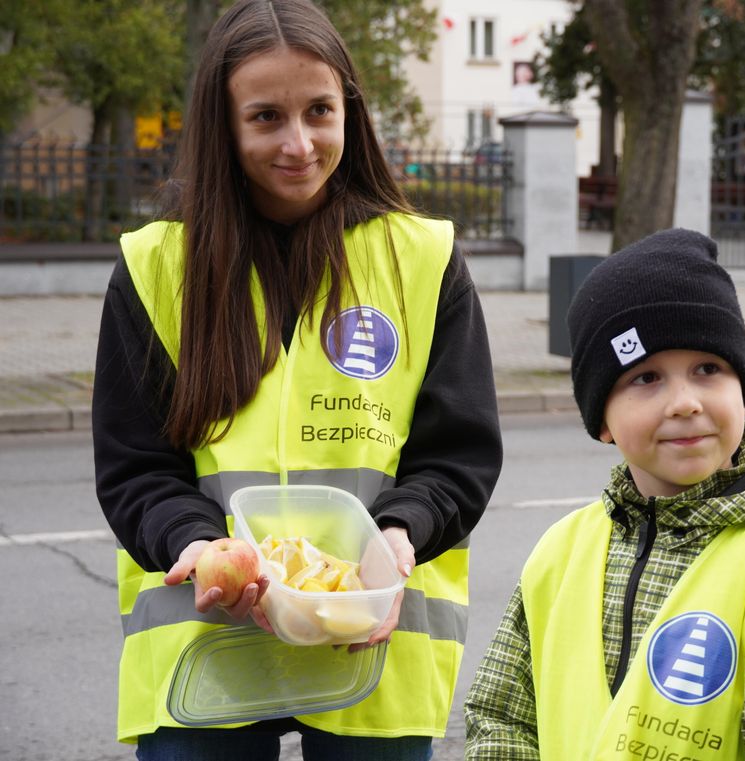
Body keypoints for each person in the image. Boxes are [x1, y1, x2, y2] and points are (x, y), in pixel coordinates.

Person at [91, 0, 502, 758]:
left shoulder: (423, 258)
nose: (299, 143)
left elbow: (460, 454)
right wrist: (196, 543)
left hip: (374, 644)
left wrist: (401, 531)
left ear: (350, 107)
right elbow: (135, 468)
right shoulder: (155, 267)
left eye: (320, 110)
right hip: (207, 635)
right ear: (224, 125)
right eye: (265, 117)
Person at [465, 229, 745, 760]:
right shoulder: (562, 551)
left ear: (741, 390)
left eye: (708, 370)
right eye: (646, 378)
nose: (684, 403)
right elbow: (501, 715)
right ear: (601, 420)